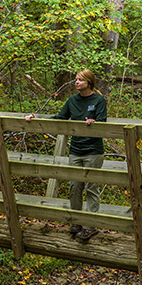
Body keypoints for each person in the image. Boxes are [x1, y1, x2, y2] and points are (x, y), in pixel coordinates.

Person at [26, 69, 107, 242]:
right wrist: (37, 117)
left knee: (91, 188)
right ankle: (76, 222)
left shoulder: (99, 100)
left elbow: (103, 122)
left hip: (93, 151)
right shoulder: (72, 101)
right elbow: (59, 118)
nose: (76, 82)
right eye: (76, 80)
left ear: (89, 82)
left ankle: (90, 226)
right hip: (76, 150)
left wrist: (94, 123)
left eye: (80, 80)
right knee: (74, 186)